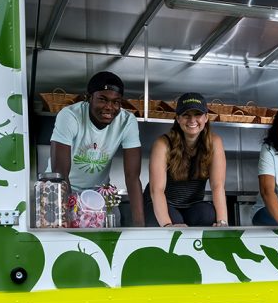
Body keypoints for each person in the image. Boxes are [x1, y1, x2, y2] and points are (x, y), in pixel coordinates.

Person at [48, 71, 144, 226]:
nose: (109, 107)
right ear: (88, 98)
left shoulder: (127, 121)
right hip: (63, 187)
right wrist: (68, 220)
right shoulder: (70, 116)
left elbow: (132, 176)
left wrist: (140, 226)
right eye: (102, 99)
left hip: (99, 192)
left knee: (110, 236)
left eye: (116, 102)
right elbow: (60, 173)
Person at [145, 92, 228, 227]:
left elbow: (217, 185)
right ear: (178, 118)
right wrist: (168, 226)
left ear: (206, 117)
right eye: (186, 115)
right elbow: (157, 190)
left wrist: (222, 222)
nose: (192, 120)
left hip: (192, 204)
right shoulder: (163, 144)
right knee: (175, 223)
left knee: (207, 214)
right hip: (161, 203)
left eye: (197, 114)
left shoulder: (215, 142)